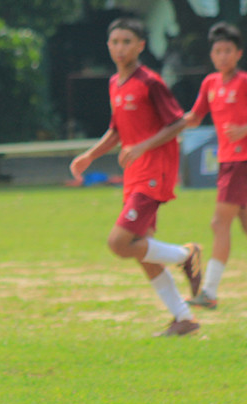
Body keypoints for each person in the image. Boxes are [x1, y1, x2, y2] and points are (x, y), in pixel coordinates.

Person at [70, 18, 203, 337]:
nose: (120, 47)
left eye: (127, 41)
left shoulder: (151, 82)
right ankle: (183, 318)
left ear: (141, 45)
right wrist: (90, 155)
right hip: (134, 174)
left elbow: (178, 123)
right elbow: (117, 130)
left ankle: (187, 255)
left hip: (154, 172)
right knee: (143, 250)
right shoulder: (115, 83)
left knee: (120, 243)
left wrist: (143, 145)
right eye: (114, 42)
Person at [181, 22, 247, 310]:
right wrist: (168, 124)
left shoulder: (243, 82)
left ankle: (208, 292)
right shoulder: (210, 83)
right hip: (227, 162)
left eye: (228, 50)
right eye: (217, 51)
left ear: (238, 53)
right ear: (212, 54)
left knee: (219, 223)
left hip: (240, 162)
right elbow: (194, 117)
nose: (222, 56)